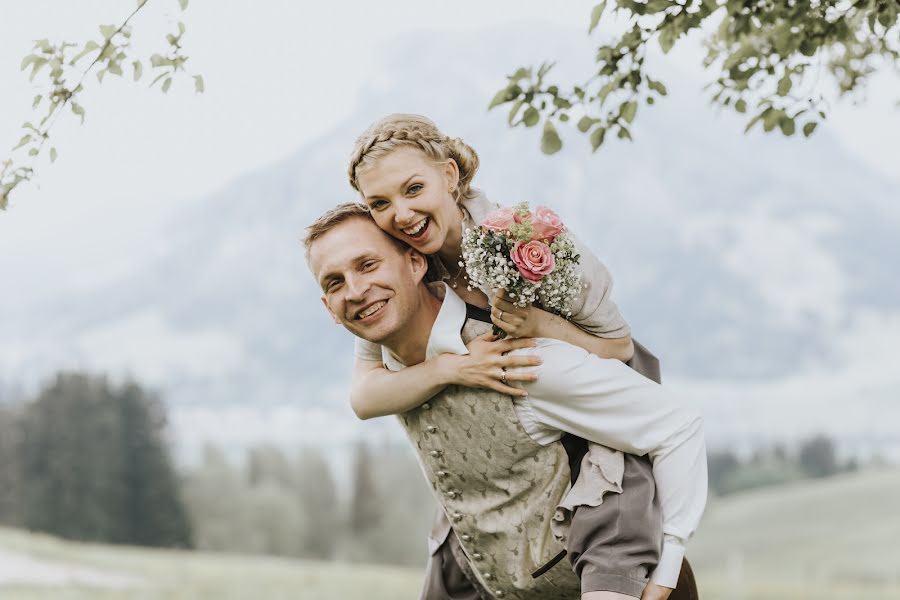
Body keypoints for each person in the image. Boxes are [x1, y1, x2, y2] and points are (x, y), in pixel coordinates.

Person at [304, 204, 708, 600]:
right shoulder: (389, 364)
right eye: (335, 282)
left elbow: (679, 425)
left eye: (368, 265)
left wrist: (669, 564)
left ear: (415, 263)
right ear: (329, 309)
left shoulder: (519, 358)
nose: (355, 291)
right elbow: (362, 399)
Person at [345, 113, 654, 423]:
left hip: (611, 428)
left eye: (413, 189)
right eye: (380, 204)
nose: (401, 214)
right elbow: (363, 398)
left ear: (449, 176)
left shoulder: (533, 240)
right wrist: (450, 368)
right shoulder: (396, 271)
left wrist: (540, 325)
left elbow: (621, 348)